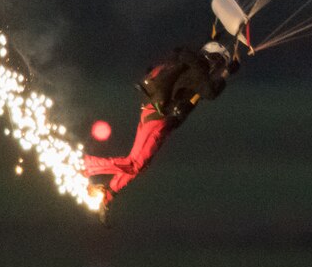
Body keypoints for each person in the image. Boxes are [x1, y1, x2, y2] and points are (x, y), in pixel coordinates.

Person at [84, 40, 239, 222]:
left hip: (157, 116)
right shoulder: (198, 70)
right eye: (219, 63)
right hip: (158, 118)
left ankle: (108, 194)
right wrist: (229, 72)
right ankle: (86, 165)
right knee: (135, 164)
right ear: (213, 60)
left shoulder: (192, 66)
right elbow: (210, 91)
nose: (217, 69)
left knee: (139, 165)